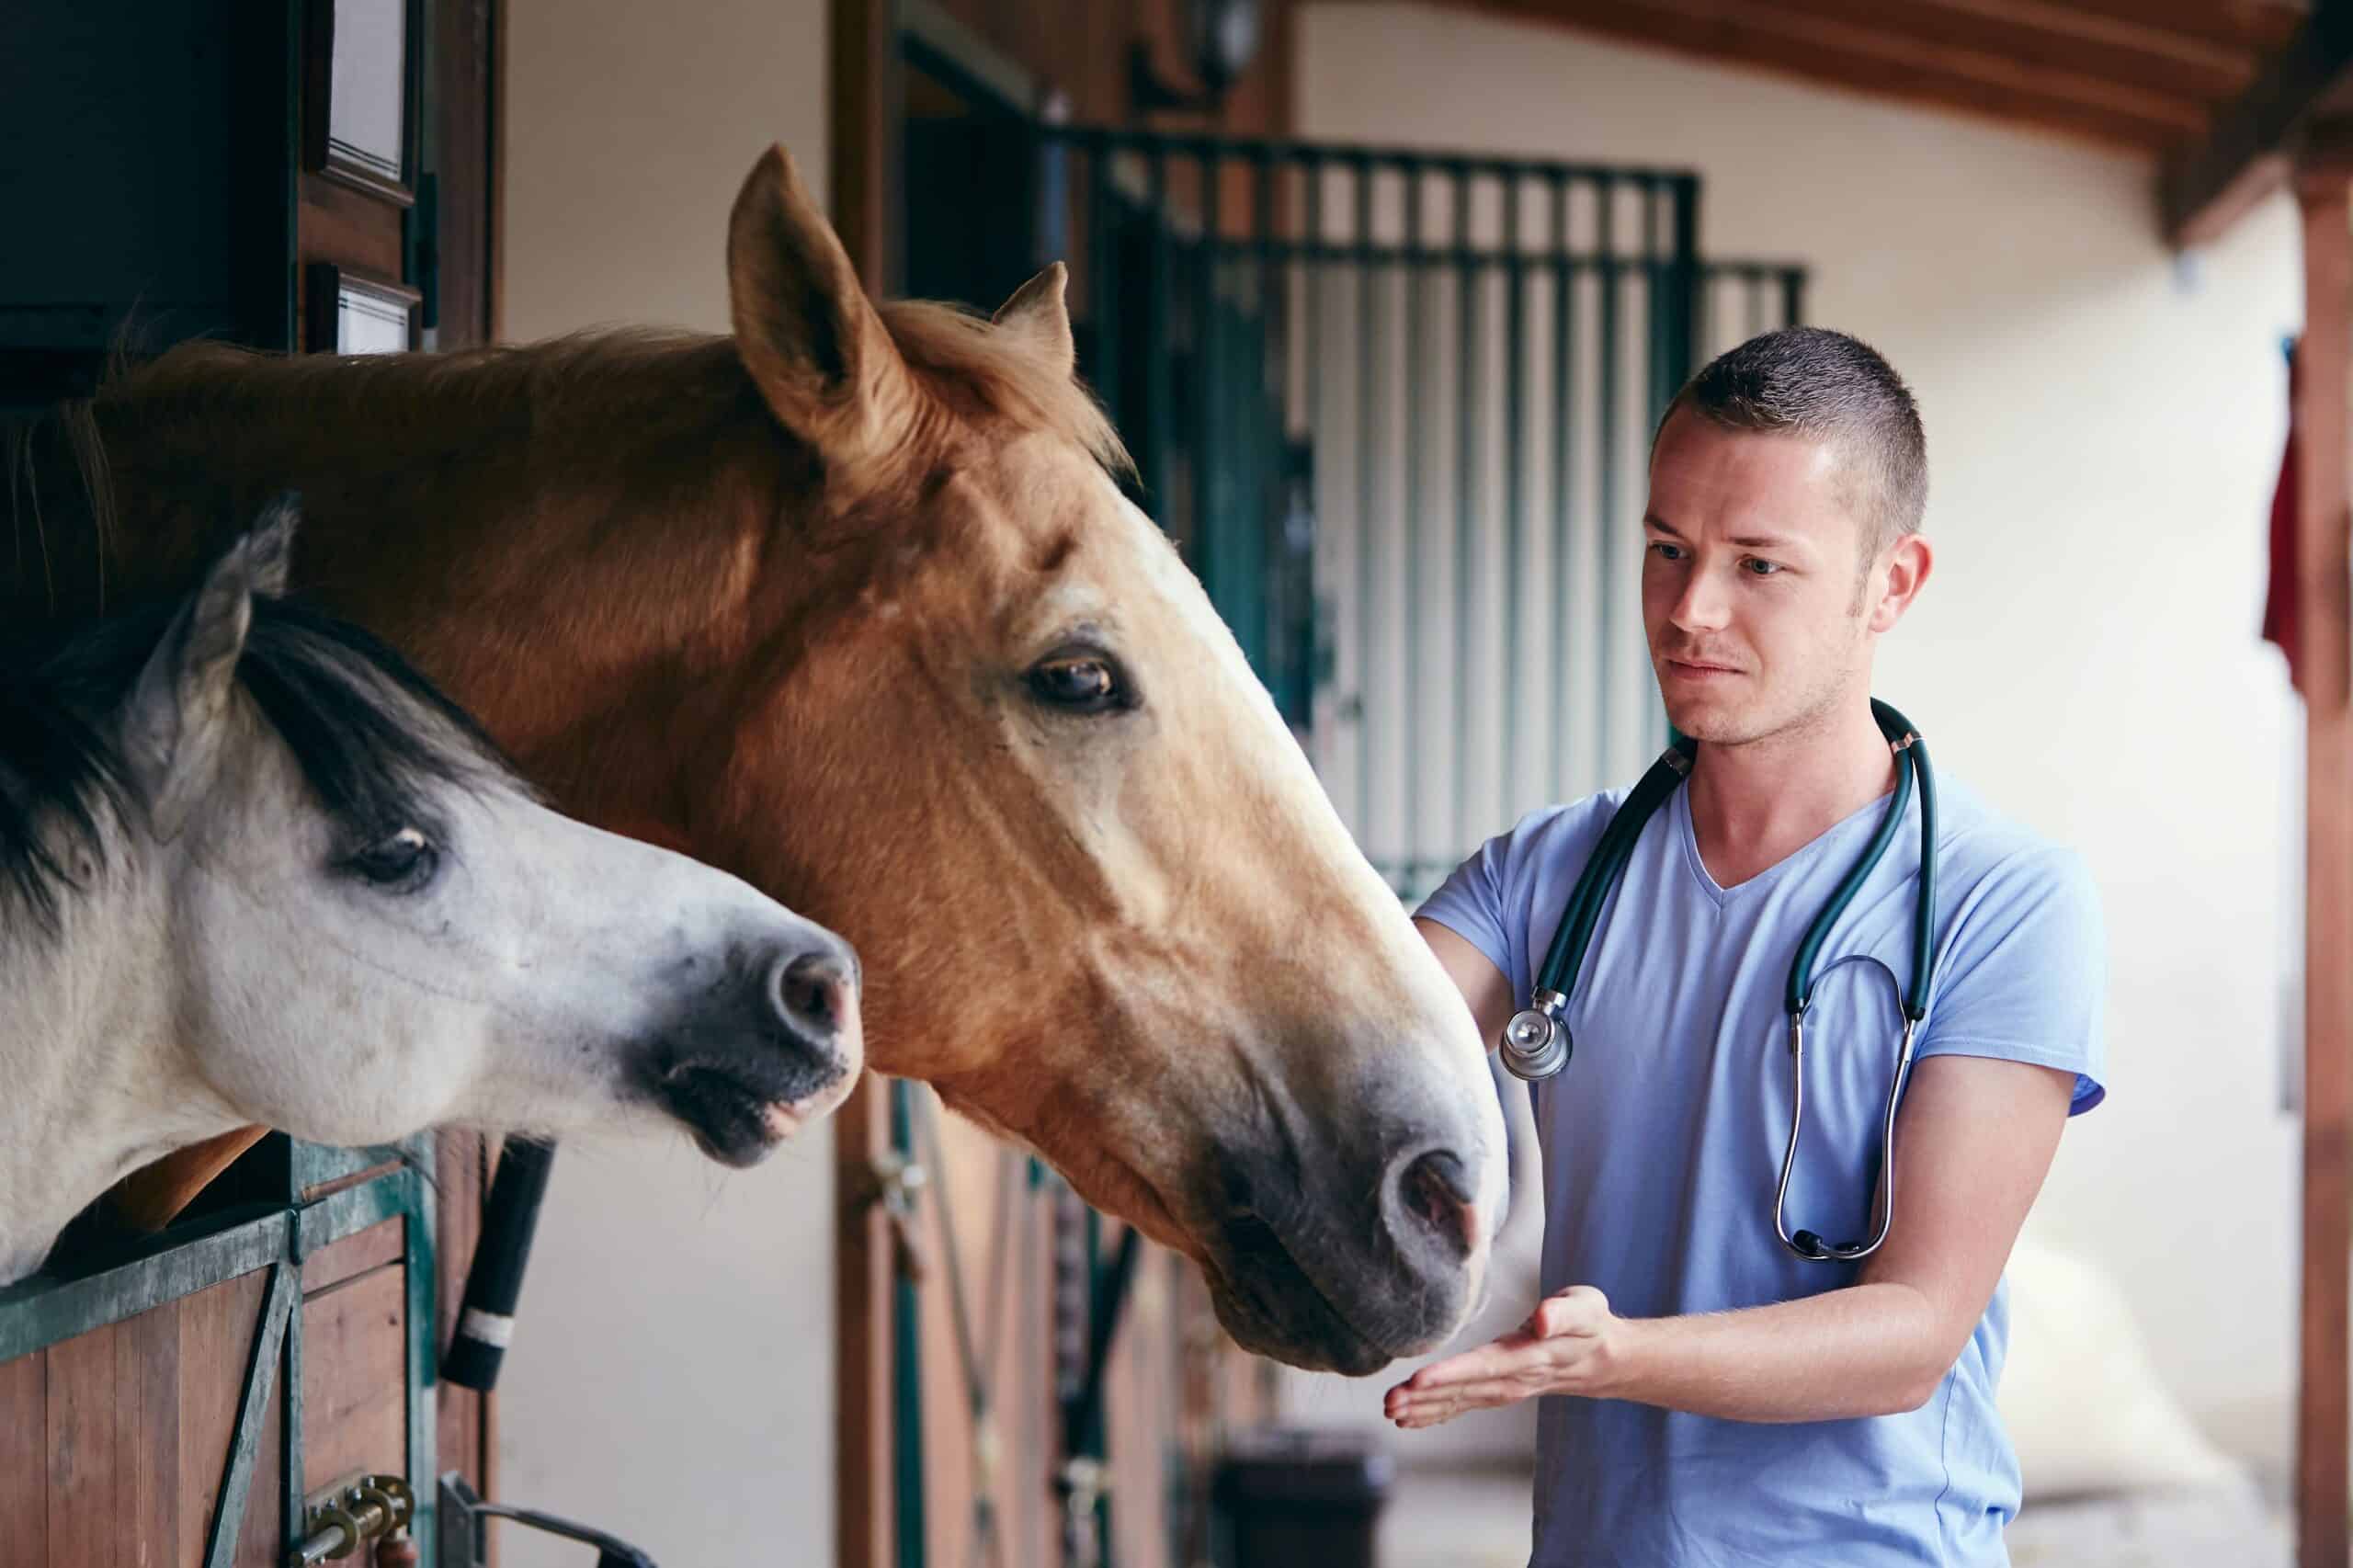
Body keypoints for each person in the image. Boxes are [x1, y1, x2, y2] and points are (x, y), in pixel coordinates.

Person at [1385, 327, 2106, 1566]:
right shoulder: (1547, 874)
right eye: (1669, 549)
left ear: (1892, 583)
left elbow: (1914, 1330)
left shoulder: (2002, 901)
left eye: (1758, 565)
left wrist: (1621, 1357)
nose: (1689, 610)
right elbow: (1342, 1031)